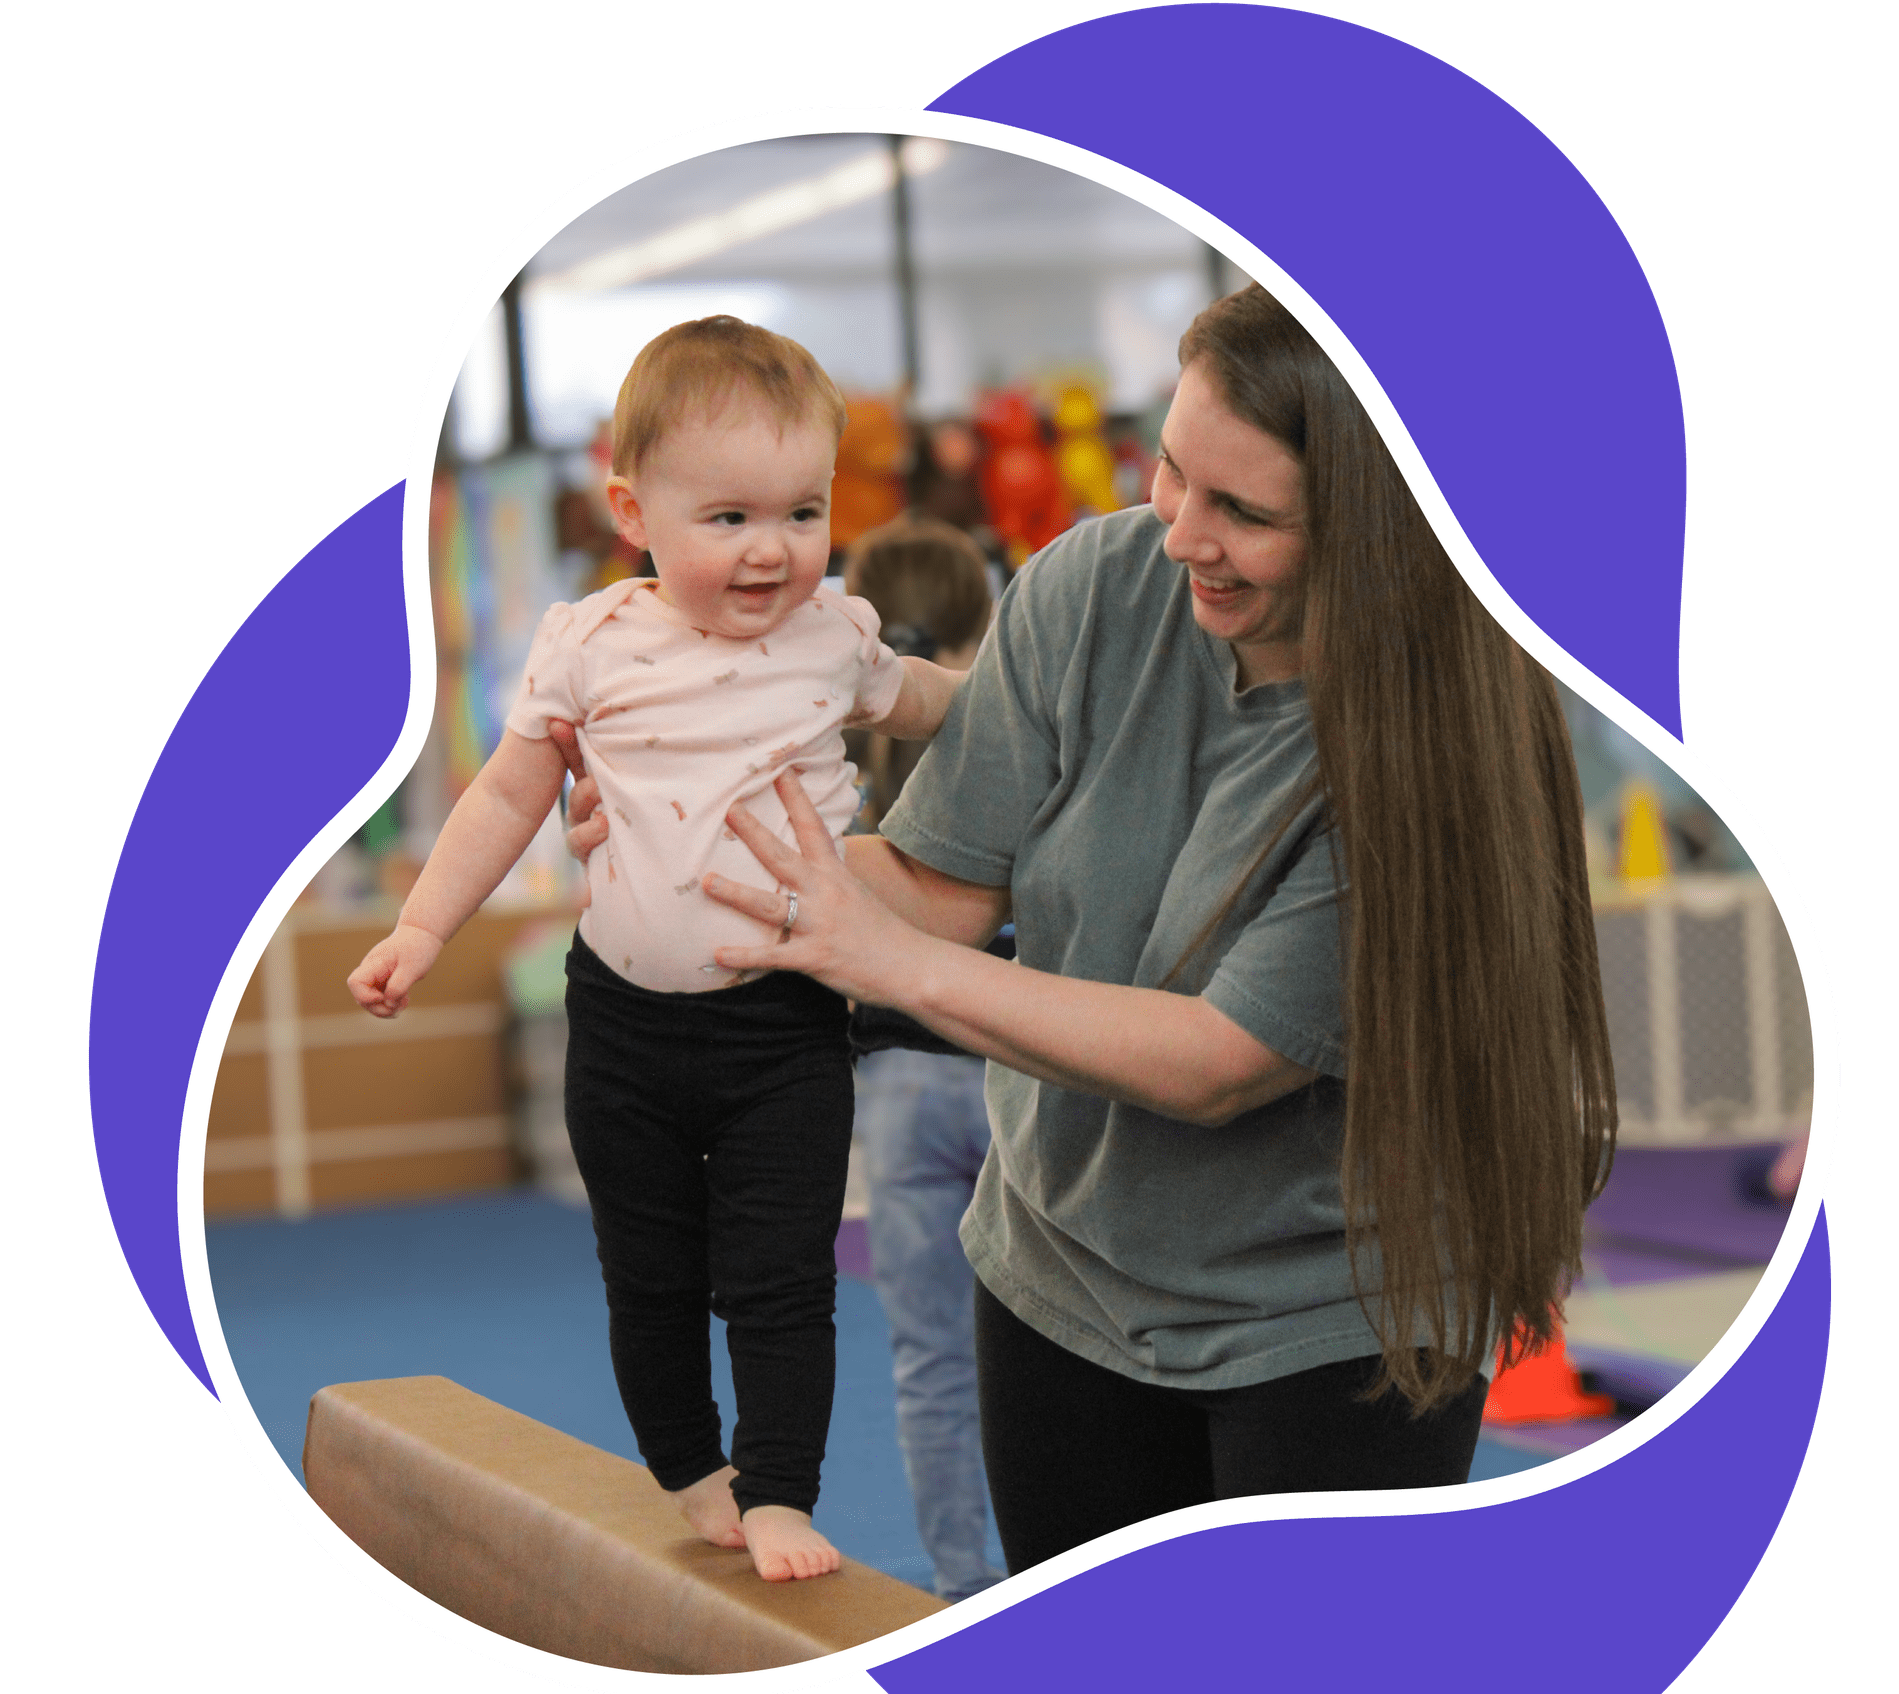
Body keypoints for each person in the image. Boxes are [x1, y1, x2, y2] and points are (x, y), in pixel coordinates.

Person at [565, 286, 1616, 1577]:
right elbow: (938, 883)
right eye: (1172, 469)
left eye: (1247, 514)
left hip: (1330, 1327)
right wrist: (690, 851)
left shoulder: (1430, 747)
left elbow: (1217, 1063)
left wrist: (881, 961)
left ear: (1383, 531)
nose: (1183, 533)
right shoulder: (1094, 586)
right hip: (1061, 1280)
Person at [348, 317, 964, 1581]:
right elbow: (511, 796)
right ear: (632, 509)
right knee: (650, 1273)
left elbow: (932, 703)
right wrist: (422, 924)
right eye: (727, 518)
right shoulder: (590, 643)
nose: (771, 549)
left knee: (783, 1276)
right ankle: (692, 1465)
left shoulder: (833, 637)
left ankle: (783, 1487)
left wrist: (1040, 698)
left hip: (783, 1025)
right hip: (623, 1026)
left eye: (802, 510)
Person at [843, 518, 1005, 1601]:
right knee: (1063, 1341)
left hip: (899, 1088)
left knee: (932, 1360)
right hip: (1018, 1069)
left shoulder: (836, 769)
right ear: (984, 623)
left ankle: (959, 1582)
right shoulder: (1006, 738)